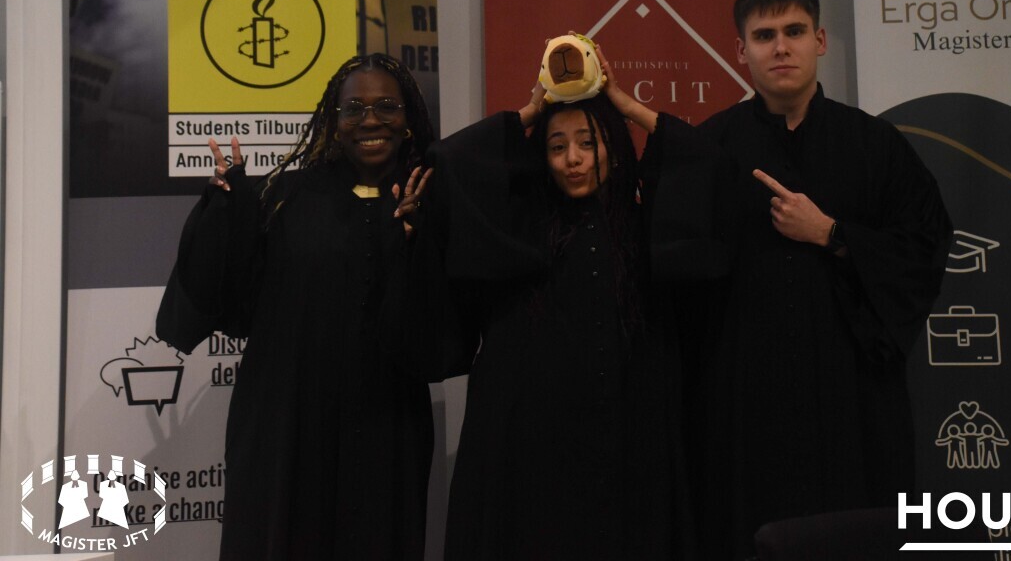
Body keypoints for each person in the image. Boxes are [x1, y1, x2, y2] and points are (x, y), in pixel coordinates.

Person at [689, 0, 953, 559]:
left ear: (821, 40)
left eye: (794, 31)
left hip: (850, 394)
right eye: (764, 36)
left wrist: (833, 234)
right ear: (741, 50)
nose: (781, 47)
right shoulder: (709, 150)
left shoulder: (876, 145)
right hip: (744, 397)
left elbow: (925, 245)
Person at [413, 48, 700, 561]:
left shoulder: (647, 227)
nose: (573, 159)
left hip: (628, 438)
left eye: (589, 142)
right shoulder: (515, 228)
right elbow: (448, 160)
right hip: (532, 447)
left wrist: (624, 104)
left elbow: (710, 169)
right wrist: (530, 111)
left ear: (614, 146)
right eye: (557, 146)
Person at [156, 53, 436, 561]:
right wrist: (225, 207)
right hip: (286, 427)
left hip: (387, 426)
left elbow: (443, 323)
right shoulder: (283, 196)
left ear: (409, 119)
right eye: (354, 109)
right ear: (333, 120)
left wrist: (419, 238)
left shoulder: (430, 202)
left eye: (386, 106)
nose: (370, 120)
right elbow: (228, 300)